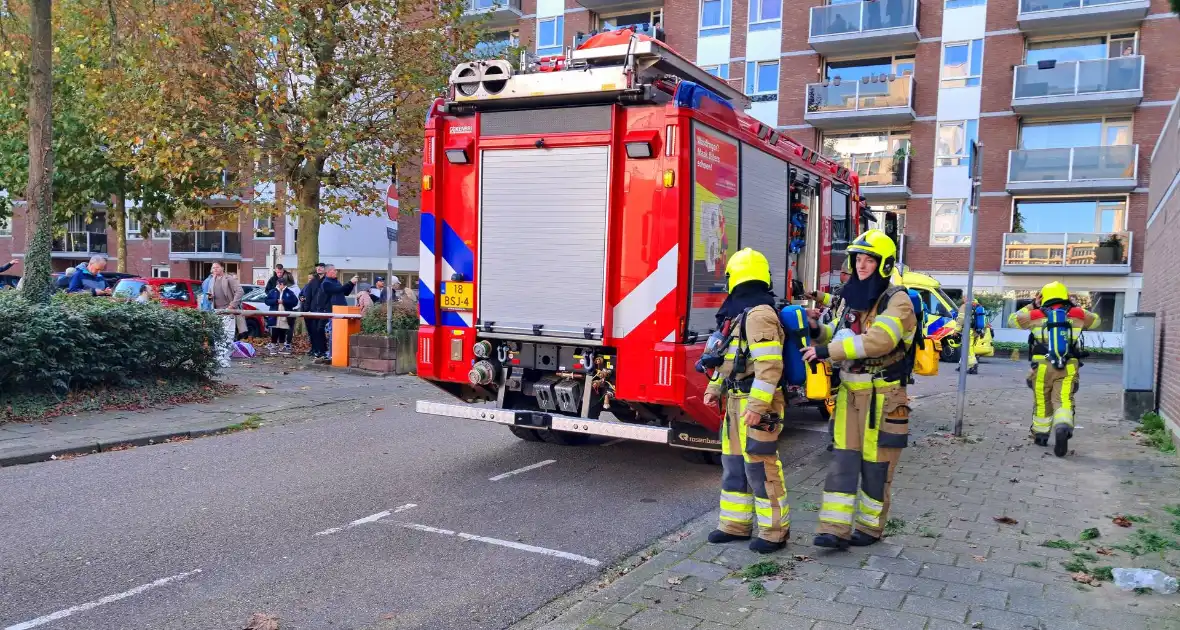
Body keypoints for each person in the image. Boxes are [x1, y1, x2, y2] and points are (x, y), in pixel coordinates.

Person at [802, 229, 917, 549]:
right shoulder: (850, 297)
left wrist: (829, 352)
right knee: (843, 461)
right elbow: (834, 334)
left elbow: (880, 341)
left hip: (883, 397)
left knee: (876, 466)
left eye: (869, 260)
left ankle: (869, 529)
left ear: (884, 264)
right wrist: (816, 330)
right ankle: (833, 531)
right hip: (849, 394)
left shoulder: (898, 301)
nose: (862, 266)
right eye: (858, 259)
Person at [702, 248, 791, 554]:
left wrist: (757, 407)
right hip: (736, 401)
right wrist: (715, 387)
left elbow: (770, 367)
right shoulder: (740, 314)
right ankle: (735, 525)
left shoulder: (759, 315)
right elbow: (730, 359)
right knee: (734, 465)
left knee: (761, 467)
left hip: (756, 403)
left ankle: (774, 532)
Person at [1008, 282, 1101, 457]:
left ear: (1043, 296)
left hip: (1041, 366)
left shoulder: (1034, 315)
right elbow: (1096, 321)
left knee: (1042, 401)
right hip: (1068, 366)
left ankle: (1041, 435)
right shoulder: (1077, 314)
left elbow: (1012, 320)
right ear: (1065, 296)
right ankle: (1062, 426)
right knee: (1063, 399)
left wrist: (1032, 304)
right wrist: (1075, 305)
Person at [207, 262, 246, 339]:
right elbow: (209, 294)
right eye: (213, 268)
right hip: (216, 311)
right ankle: (219, 351)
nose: (215, 269)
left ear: (222, 268)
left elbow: (240, 291)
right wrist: (210, 297)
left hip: (228, 311)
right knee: (217, 334)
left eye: (217, 267)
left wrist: (232, 305)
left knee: (228, 334)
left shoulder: (229, 278)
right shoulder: (211, 280)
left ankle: (228, 351)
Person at [301, 263, 329, 358]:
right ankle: (316, 349)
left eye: (321, 267)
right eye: (317, 267)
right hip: (313, 310)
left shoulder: (327, 281)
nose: (319, 269)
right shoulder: (313, 281)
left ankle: (323, 350)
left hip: (324, 310)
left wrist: (327, 308)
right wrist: (306, 310)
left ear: (325, 269)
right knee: (313, 331)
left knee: (320, 329)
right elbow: (308, 296)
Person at [265, 279, 299, 353]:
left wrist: (284, 301)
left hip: (284, 315)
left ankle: (281, 346)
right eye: (279, 284)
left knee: (282, 331)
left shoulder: (289, 292)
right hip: (274, 315)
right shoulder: (272, 291)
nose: (280, 286)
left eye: (281, 284)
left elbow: (295, 302)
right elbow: (266, 301)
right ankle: (273, 346)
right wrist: (275, 301)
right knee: (274, 330)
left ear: (284, 284)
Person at [956, 299, 986, 375]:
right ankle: (961, 365)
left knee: (969, 349)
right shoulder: (978, 306)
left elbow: (960, 320)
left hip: (968, 331)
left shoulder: (964, 306)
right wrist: (982, 331)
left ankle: (973, 366)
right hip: (976, 331)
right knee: (966, 348)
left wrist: (956, 330)